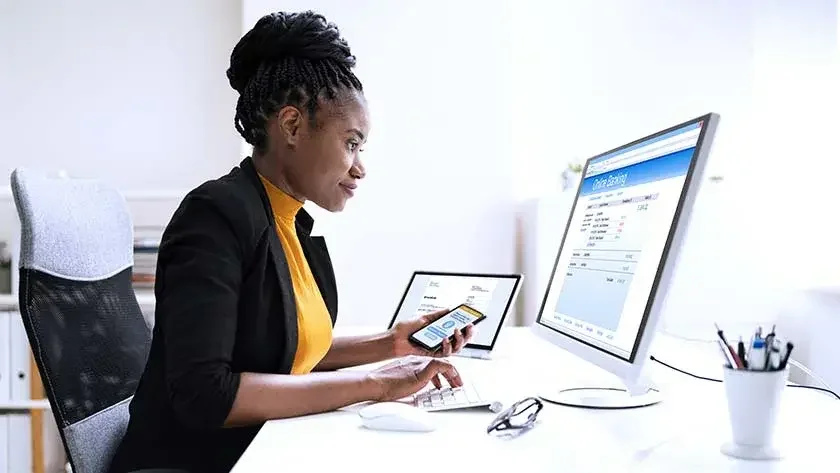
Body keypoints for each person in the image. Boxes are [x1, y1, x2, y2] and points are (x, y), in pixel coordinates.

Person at [108, 10, 473, 473]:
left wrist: (393, 343)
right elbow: (204, 395)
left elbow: (283, 350)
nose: (359, 167)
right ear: (293, 125)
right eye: (352, 143)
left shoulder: (287, 222)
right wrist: (376, 386)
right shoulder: (215, 215)